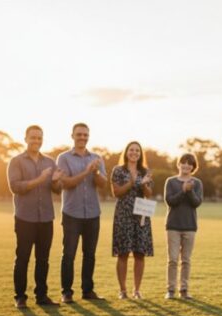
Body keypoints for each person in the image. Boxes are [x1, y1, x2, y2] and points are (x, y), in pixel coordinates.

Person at [7, 125, 63, 309]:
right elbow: (15, 187)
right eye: (33, 138)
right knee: (22, 257)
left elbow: (57, 190)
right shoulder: (16, 162)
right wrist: (39, 180)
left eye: (39, 138)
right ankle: (20, 297)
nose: (36, 141)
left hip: (46, 217)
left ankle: (42, 296)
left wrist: (55, 181)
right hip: (25, 218)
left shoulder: (50, 162)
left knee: (43, 259)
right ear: (25, 139)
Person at [56, 122, 108, 303]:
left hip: (93, 213)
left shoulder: (97, 157)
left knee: (90, 254)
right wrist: (87, 171)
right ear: (72, 136)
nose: (82, 138)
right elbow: (67, 183)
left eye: (85, 135)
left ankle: (88, 291)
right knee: (69, 254)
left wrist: (95, 173)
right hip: (72, 213)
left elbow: (103, 184)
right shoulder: (63, 158)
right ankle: (66, 293)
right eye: (79, 134)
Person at [110, 141, 154, 300]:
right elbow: (116, 193)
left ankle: (137, 290)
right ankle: (123, 291)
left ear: (140, 153)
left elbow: (149, 194)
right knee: (123, 253)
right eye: (131, 150)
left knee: (139, 253)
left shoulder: (146, 171)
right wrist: (131, 181)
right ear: (126, 152)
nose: (134, 152)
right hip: (124, 214)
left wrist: (143, 185)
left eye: (137, 150)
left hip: (141, 215)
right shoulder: (118, 170)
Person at [163, 153, 203, 300]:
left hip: (190, 226)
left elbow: (196, 203)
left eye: (189, 163)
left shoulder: (197, 183)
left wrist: (190, 190)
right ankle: (171, 290)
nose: (186, 166)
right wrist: (183, 190)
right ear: (178, 164)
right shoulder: (171, 181)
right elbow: (170, 201)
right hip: (173, 225)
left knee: (186, 260)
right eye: (183, 163)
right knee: (173, 260)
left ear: (193, 167)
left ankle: (184, 290)